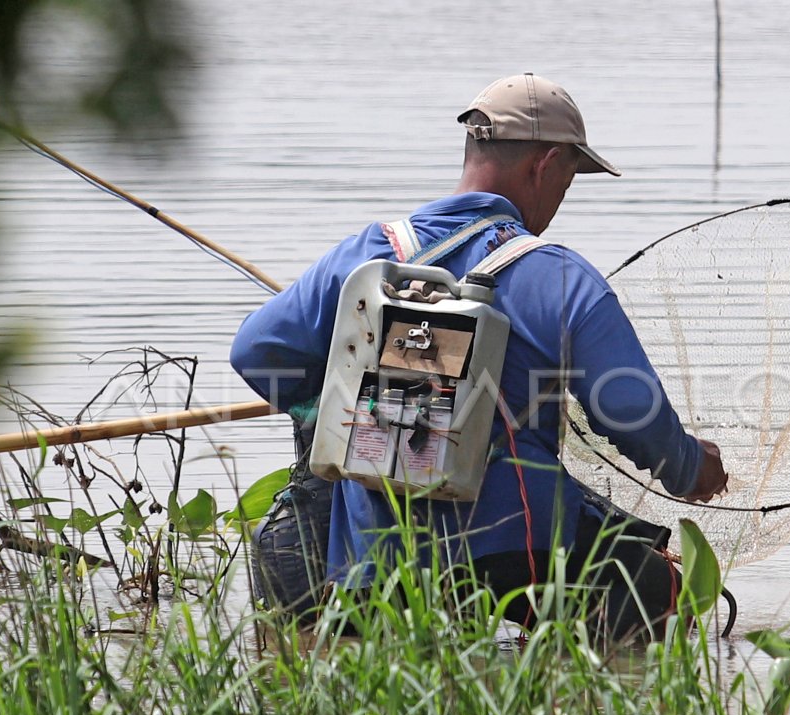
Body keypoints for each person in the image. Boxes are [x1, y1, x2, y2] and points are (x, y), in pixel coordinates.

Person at [231, 73, 727, 639]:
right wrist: (692, 468)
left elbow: (256, 352)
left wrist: (346, 398)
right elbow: (634, 415)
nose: (561, 199)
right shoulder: (560, 276)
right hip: (520, 549)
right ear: (544, 165)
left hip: (376, 559)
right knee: (657, 591)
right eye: (567, 180)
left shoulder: (368, 258)